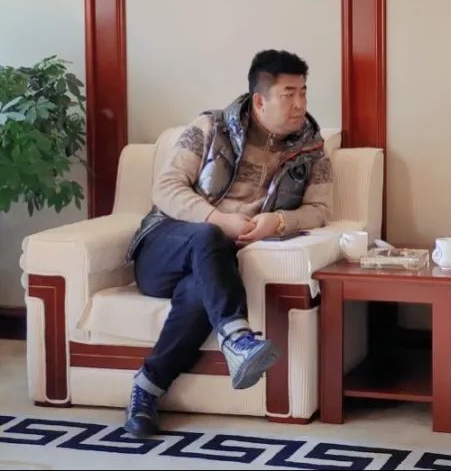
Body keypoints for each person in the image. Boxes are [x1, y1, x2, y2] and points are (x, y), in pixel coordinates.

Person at [123, 49, 333, 437]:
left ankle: (145, 391)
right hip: (165, 247)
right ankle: (237, 338)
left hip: (215, 268)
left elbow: (319, 209)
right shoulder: (209, 127)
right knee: (209, 234)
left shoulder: (311, 149)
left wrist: (278, 222)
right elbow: (166, 187)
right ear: (260, 100)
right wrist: (219, 220)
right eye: (289, 94)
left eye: (303, 92)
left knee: (200, 292)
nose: (300, 104)